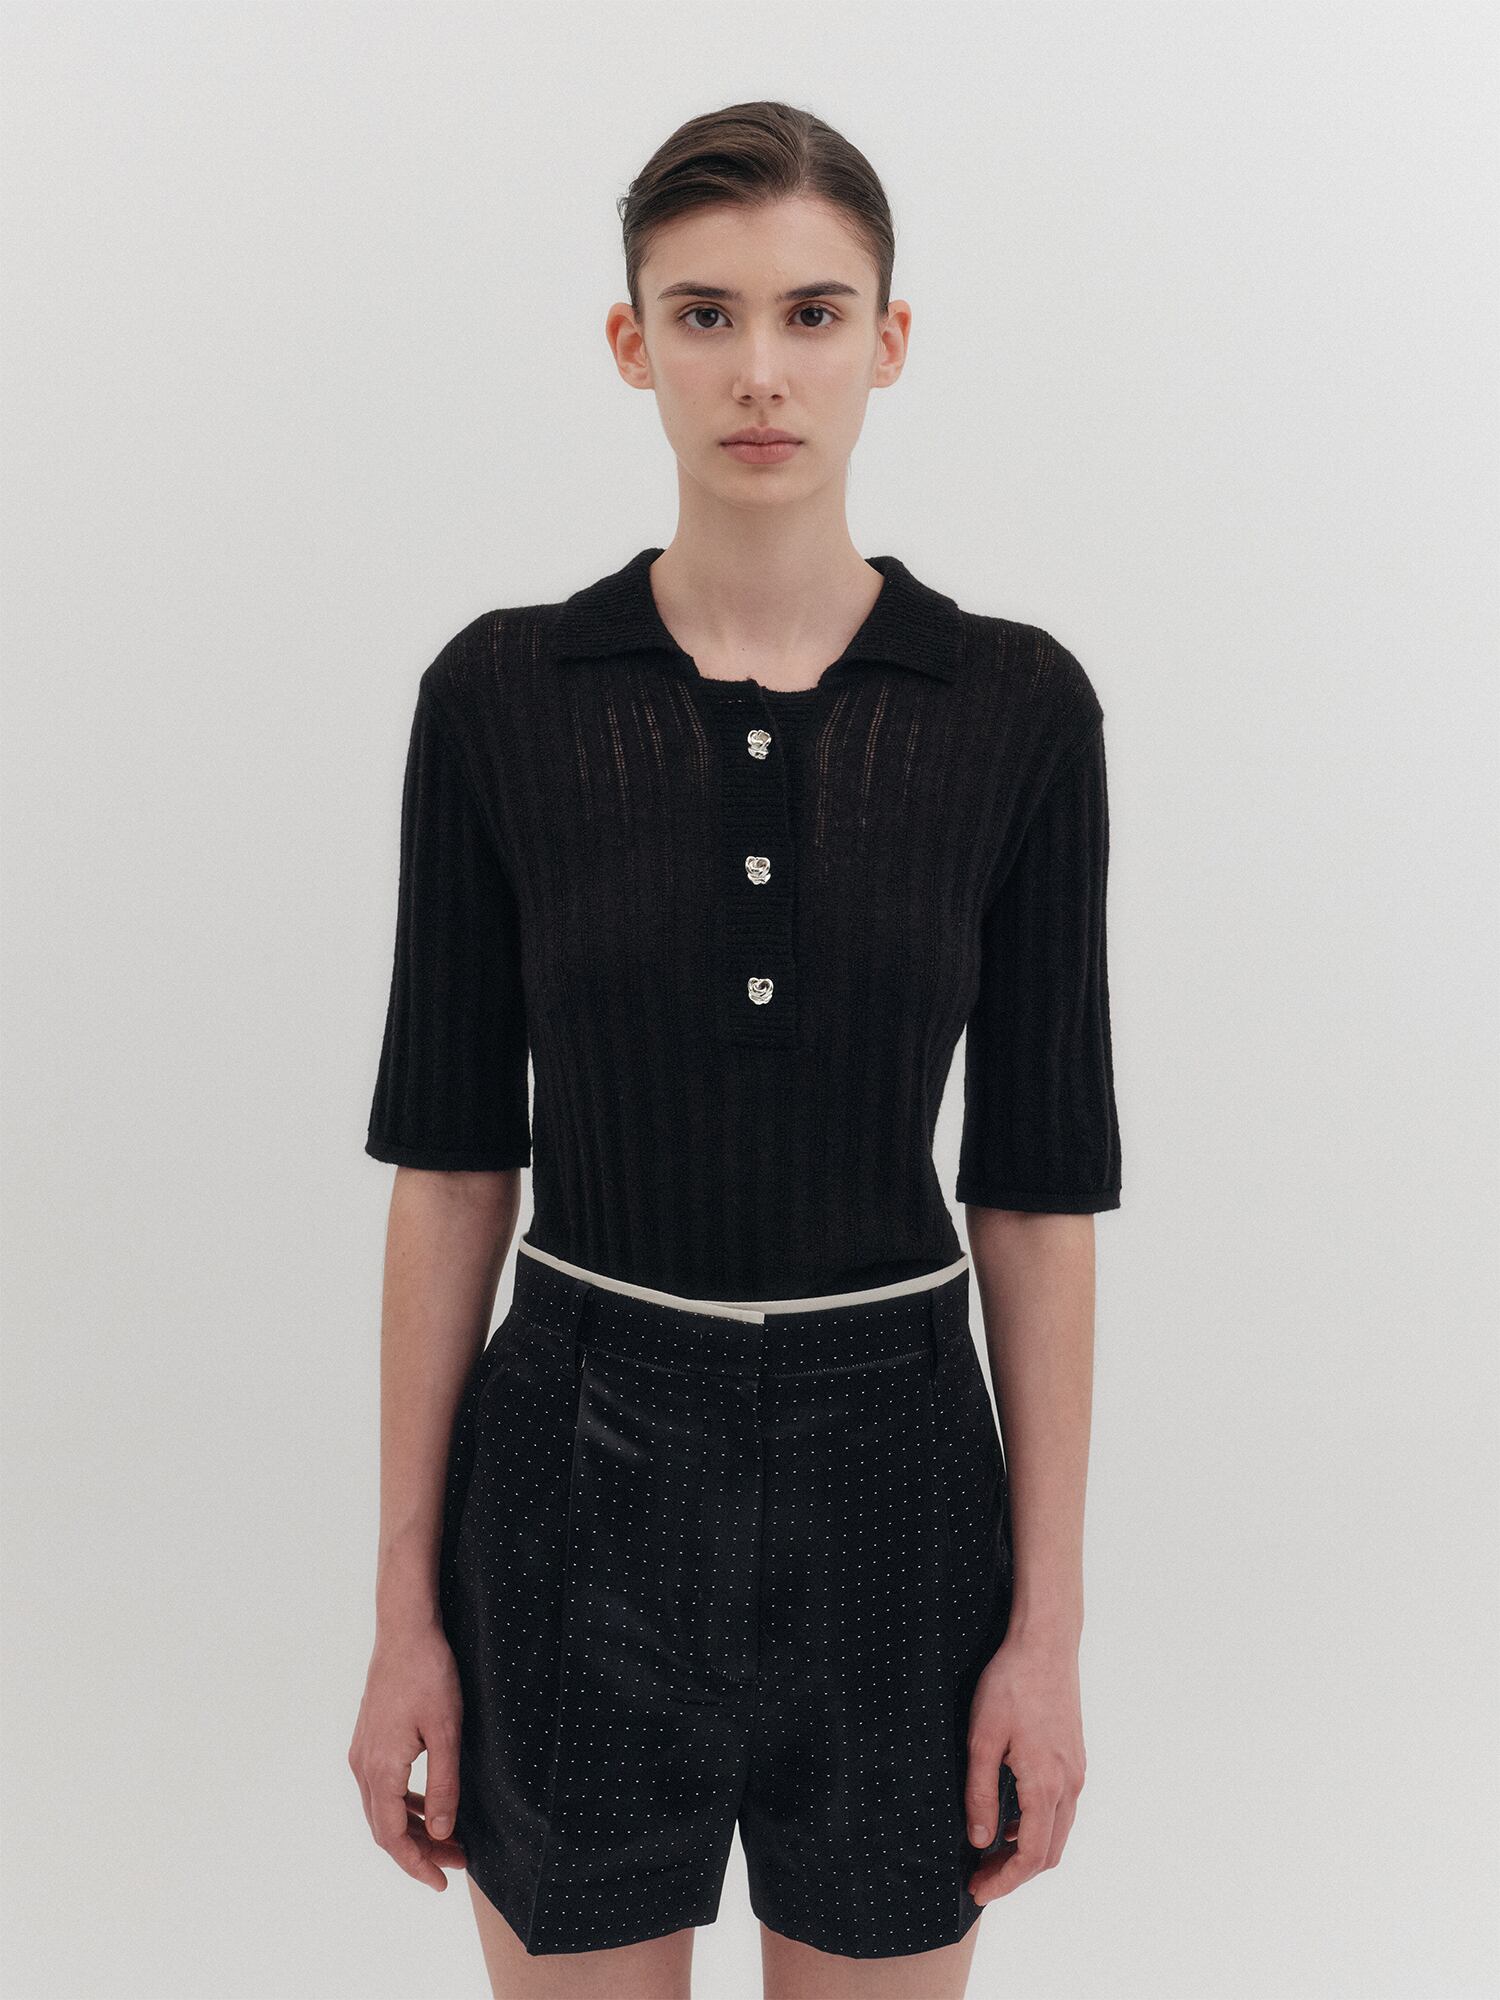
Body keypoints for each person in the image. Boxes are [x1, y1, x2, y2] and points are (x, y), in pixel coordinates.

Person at [348, 98, 1122, 2000]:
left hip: (902, 1481)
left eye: (811, 313)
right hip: (572, 1470)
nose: (759, 370)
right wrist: (402, 1610)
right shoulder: (503, 696)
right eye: (704, 315)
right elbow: (452, 1166)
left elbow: (1036, 1195)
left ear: (889, 340)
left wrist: (1046, 1633)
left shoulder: (1016, 708)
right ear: (633, 344)